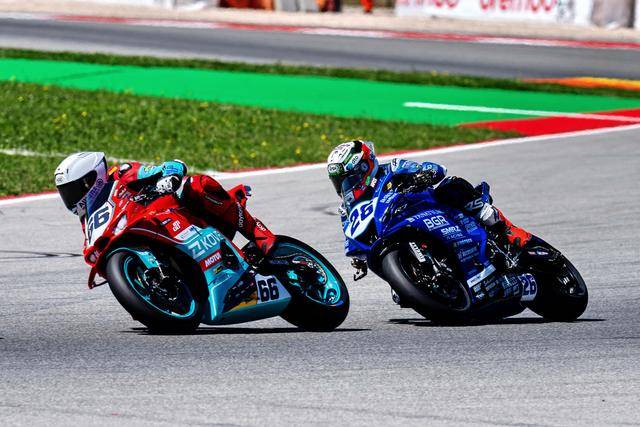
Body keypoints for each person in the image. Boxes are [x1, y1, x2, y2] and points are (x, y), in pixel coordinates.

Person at [326, 140, 531, 272]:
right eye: (339, 181)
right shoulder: (347, 210)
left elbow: (436, 169)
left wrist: (423, 174)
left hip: (428, 210)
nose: (344, 186)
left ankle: (505, 228)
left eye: (347, 179)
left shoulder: (392, 168)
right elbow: (351, 236)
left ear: (364, 167)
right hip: (395, 235)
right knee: (400, 297)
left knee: (451, 186)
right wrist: (359, 257)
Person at [54, 152, 276, 256]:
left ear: (90, 179)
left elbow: (172, 165)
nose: (70, 198)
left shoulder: (122, 174)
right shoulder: (88, 221)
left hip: (182, 221)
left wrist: (169, 177)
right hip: (156, 241)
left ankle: (258, 233)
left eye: (73, 190)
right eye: (65, 193)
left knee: (197, 185)